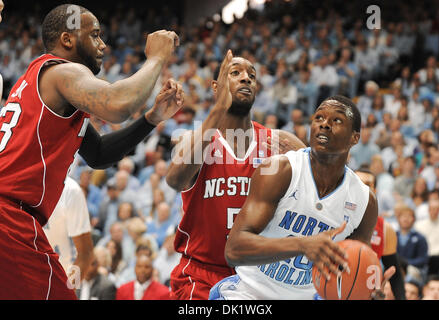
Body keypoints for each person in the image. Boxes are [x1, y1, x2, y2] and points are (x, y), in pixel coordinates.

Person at [0, 4, 183, 299]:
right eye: (95, 35)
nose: (103, 45)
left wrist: (152, 119)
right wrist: (157, 58)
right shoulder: (62, 71)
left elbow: (98, 154)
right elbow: (116, 104)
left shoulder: (44, 86)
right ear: (67, 39)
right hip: (9, 218)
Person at [210, 95, 395, 300]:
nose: (324, 124)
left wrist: (365, 293)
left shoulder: (364, 201)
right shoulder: (280, 170)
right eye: (319, 118)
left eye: (336, 120)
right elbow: (234, 249)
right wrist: (302, 245)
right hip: (251, 291)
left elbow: (351, 273)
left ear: (354, 137)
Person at [166, 51, 305, 300]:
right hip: (202, 276)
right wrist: (218, 108)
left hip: (261, 278)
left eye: (252, 76)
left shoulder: (280, 143)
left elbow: (319, 191)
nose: (246, 79)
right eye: (236, 73)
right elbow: (174, 180)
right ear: (216, 86)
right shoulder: (193, 141)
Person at [355, 166, 406, 300]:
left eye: (367, 185)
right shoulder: (334, 218)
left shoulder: (385, 229)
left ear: (375, 191)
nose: (361, 188)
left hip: (366, 293)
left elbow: (395, 274)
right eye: (356, 183)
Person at [44, 176, 94, 287]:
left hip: (59, 280)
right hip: (26, 280)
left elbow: (86, 253)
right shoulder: (17, 181)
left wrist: (69, 290)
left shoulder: (70, 190)